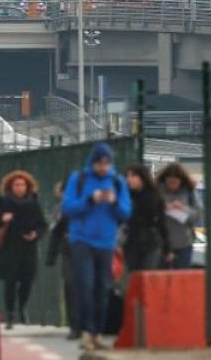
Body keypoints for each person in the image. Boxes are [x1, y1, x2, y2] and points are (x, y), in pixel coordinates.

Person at [62, 142, 132, 351]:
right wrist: (90, 199)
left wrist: (113, 202)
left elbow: (126, 212)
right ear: (92, 162)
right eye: (99, 163)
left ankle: (98, 333)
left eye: (106, 163)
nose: (102, 167)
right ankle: (86, 330)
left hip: (106, 241)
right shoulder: (79, 179)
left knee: (103, 288)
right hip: (82, 239)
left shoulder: (118, 182)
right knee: (85, 285)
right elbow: (68, 208)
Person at [0, 170, 47, 330]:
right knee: (10, 281)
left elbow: (43, 224)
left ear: (28, 186)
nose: (20, 187)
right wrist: (1, 219)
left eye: (23, 184)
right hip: (8, 247)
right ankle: (10, 314)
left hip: (28, 247)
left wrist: (35, 234)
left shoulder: (33, 202)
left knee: (27, 280)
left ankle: (22, 308)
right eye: (16, 184)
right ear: (10, 186)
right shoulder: (3, 201)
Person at [46, 180, 80, 341]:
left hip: (91, 251)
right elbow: (56, 231)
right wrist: (51, 255)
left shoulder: (92, 204)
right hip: (68, 251)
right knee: (71, 286)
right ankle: (75, 326)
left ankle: (89, 325)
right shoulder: (63, 209)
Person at [124, 164, 171, 272]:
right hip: (131, 243)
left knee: (146, 274)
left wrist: (167, 248)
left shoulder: (154, 196)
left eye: (133, 176)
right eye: (127, 176)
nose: (129, 179)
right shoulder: (126, 196)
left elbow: (162, 223)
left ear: (142, 177)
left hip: (151, 243)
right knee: (132, 275)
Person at [157, 163, 203, 269]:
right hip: (161, 242)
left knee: (181, 276)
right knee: (160, 277)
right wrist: (163, 208)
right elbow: (149, 211)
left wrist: (183, 208)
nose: (172, 185)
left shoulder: (189, 191)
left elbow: (198, 214)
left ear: (181, 181)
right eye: (169, 182)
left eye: (175, 182)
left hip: (183, 242)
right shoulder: (157, 191)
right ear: (165, 180)